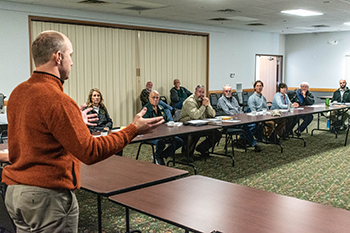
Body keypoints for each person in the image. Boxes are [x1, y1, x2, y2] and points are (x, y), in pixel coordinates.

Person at [2, 30, 164, 232]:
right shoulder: (58, 100)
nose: (72, 62)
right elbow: (90, 151)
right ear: (58, 57)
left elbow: (36, 134)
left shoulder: (18, 92)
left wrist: (74, 122)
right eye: (70, 55)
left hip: (16, 193)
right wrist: (132, 130)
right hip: (46, 198)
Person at [179, 85, 222, 158]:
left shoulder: (205, 100)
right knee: (195, 133)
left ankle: (202, 148)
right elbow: (195, 116)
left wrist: (207, 105)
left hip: (201, 125)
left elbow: (213, 114)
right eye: (199, 92)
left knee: (217, 134)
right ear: (195, 92)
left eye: (203, 92)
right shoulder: (190, 101)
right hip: (186, 126)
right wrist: (203, 106)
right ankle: (188, 155)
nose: (201, 94)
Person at [143, 90, 183, 165]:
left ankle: (160, 155)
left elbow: (165, 121)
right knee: (160, 142)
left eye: (157, 98)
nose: (155, 99)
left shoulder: (161, 108)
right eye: (153, 97)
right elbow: (145, 125)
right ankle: (158, 157)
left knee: (178, 141)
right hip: (150, 135)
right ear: (149, 98)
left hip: (162, 133)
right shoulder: (145, 110)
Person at [217, 85, 262, 152]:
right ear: (223, 92)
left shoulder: (234, 99)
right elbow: (228, 113)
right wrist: (237, 113)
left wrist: (240, 114)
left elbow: (239, 109)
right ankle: (253, 144)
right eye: (226, 91)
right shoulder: (221, 100)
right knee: (245, 126)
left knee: (255, 124)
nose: (228, 93)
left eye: (229, 91)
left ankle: (243, 139)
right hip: (228, 122)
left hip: (238, 119)